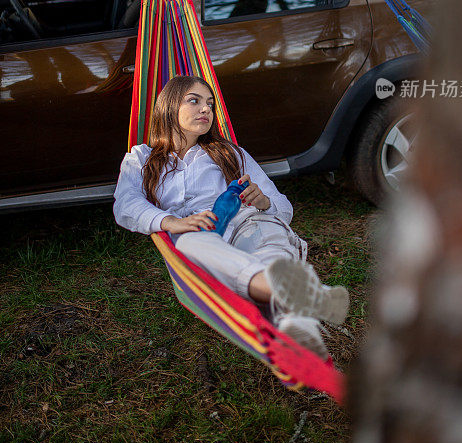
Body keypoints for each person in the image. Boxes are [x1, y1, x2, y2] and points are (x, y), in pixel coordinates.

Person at [113, 75, 349, 359]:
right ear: (169, 106)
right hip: (201, 234)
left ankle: (290, 316)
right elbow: (125, 204)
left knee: (268, 244)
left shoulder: (229, 153)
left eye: (210, 104)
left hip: (247, 222)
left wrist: (263, 203)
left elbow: (282, 207)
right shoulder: (142, 157)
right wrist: (170, 222)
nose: (205, 110)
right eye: (194, 101)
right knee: (189, 245)